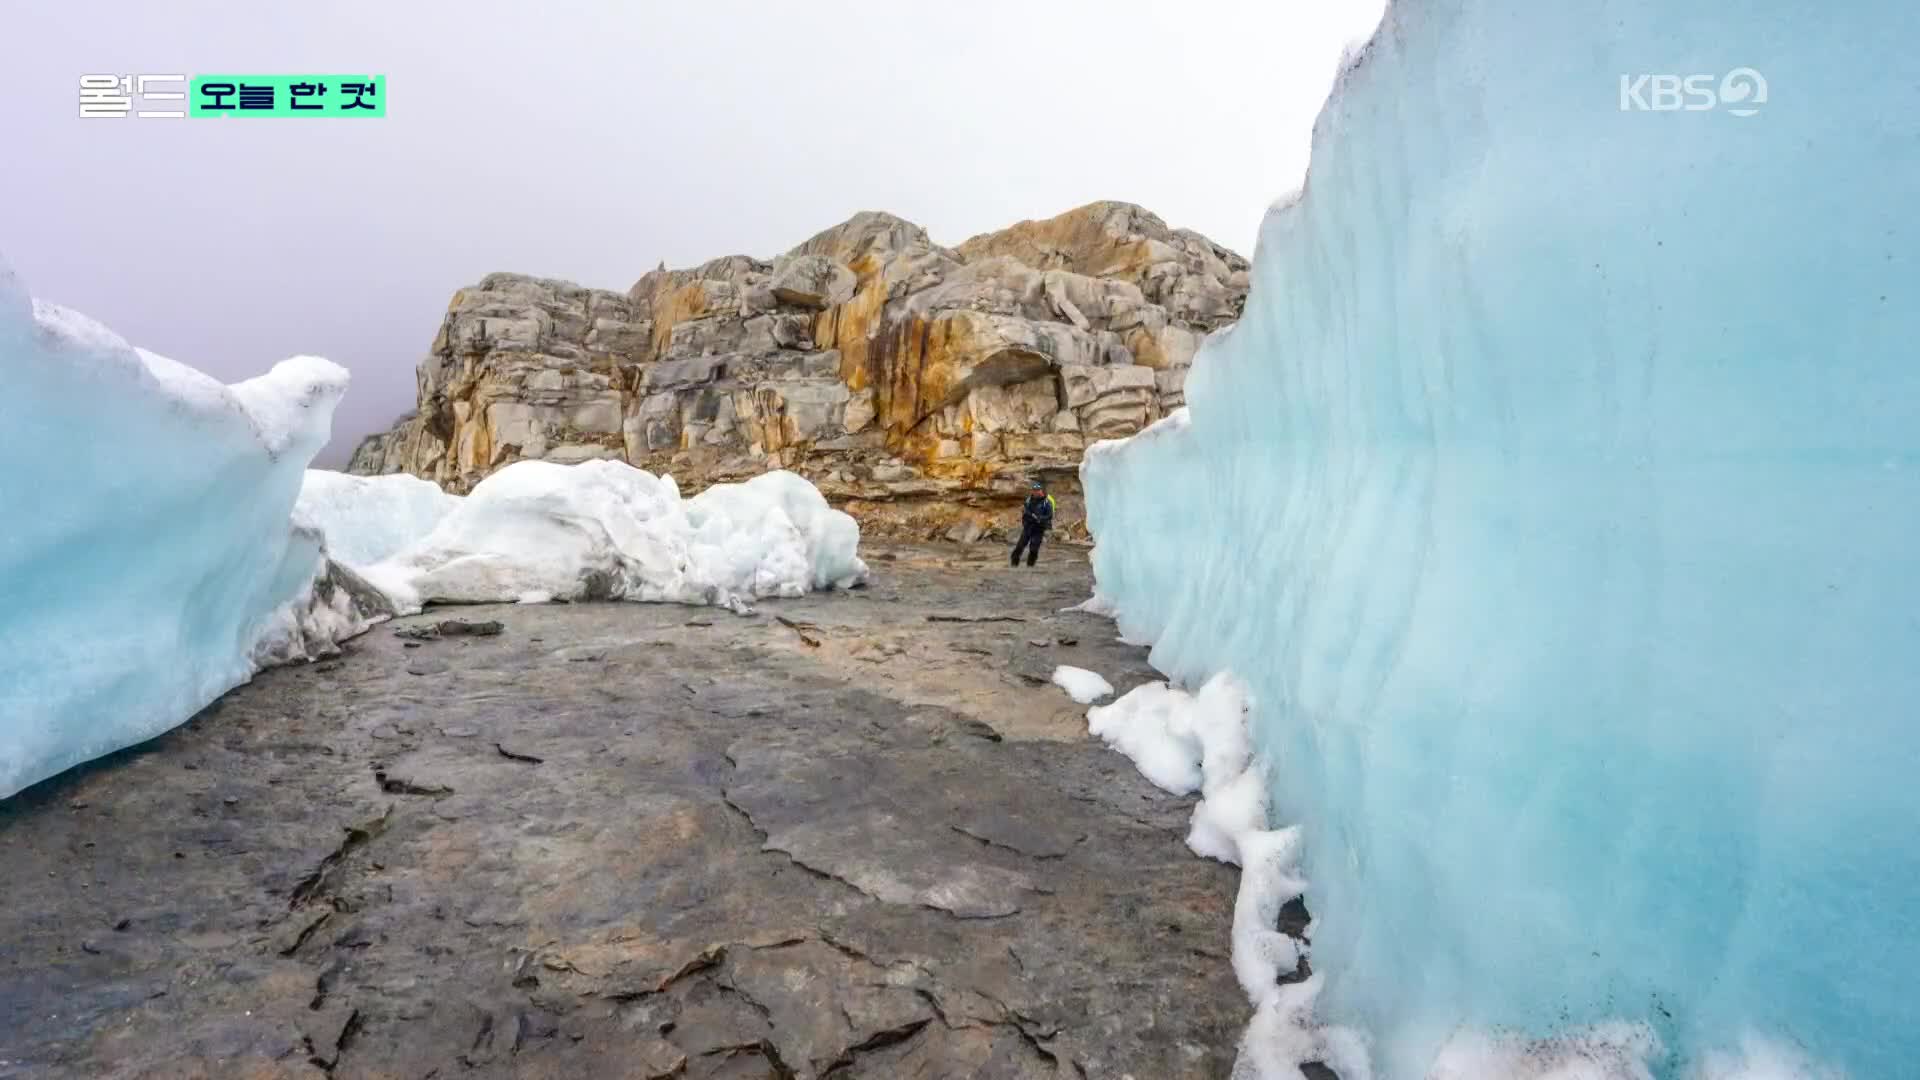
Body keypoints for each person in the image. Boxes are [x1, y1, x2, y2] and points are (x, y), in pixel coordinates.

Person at [1011, 479, 1056, 567]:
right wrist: (1025, 521)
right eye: (1034, 490)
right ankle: (1014, 563)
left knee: (1034, 548)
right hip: (1028, 526)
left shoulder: (1047, 502)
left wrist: (1040, 518)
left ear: (1041, 490)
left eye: (1037, 490)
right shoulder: (1029, 500)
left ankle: (1030, 565)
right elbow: (1024, 512)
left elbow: (1049, 515)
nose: (1036, 492)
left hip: (1039, 528)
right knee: (1020, 545)